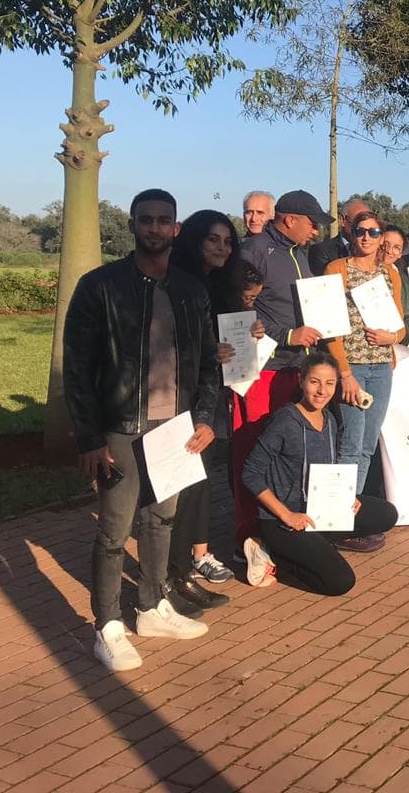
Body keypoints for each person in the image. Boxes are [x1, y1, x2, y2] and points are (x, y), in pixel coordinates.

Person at [64, 189, 217, 671]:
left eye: (163, 221)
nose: (154, 228)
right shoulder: (100, 286)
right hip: (121, 428)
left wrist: (207, 417)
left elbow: (210, 362)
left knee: (161, 521)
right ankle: (107, 625)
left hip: (176, 427)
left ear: (176, 229)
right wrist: (89, 437)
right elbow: (78, 367)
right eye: (145, 219)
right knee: (113, 531)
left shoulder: (192, 290)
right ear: (131, 225)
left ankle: (152, 607)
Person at [241, 352, 399, 596]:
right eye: (314, 382)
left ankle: (317, 543)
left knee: (386, 514)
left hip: (318, 509)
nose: (321, 391)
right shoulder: (284, 421)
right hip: (282, 519)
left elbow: (330, 468)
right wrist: (287, 515)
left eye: (329, 383)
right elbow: (250, 473)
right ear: (302, 381)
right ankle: (271, 553)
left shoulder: (330, 419)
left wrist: (347, 496)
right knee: (340, 582)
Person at [234, 190, 333, 553]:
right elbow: (238, 307)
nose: (316, 232)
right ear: (290, 219)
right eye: (312, 224)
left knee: (287, 454)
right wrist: (287, 335)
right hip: (262, 369)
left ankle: (283, 529)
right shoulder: (255, 250)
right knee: (254, 451)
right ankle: (247, 537)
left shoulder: (300, 254)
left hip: (296, 368)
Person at [167, 210, 255, 612]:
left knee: (201, 478)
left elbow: (227, 335)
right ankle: (174, 570)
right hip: (176, 396)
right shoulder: (176, 282)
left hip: (212, 393)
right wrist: (207, 353)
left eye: (227, 241)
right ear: (195, 240)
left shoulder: (225, 284)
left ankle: (191, 558)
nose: (222, 248)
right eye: (212, 240)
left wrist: (247, 333)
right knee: (183, 481)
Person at [323, 210, 408, 555]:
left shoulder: (391, 273)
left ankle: (350, 514)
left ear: (381, 237)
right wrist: (343, 372)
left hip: (381, 369)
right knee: (350, 444)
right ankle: (339, 522)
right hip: (353, 369)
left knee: (367, 446)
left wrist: (393, 336)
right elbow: (328, 326)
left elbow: (402, 325)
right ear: (351, 233)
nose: (367, 238)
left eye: (374, 233)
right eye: (360, 231)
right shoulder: (336, 270)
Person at [308, 197, 368, 273]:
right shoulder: (322, 251)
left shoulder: (374, 250)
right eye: (358, 222)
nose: (363, 229)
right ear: (342, 220)